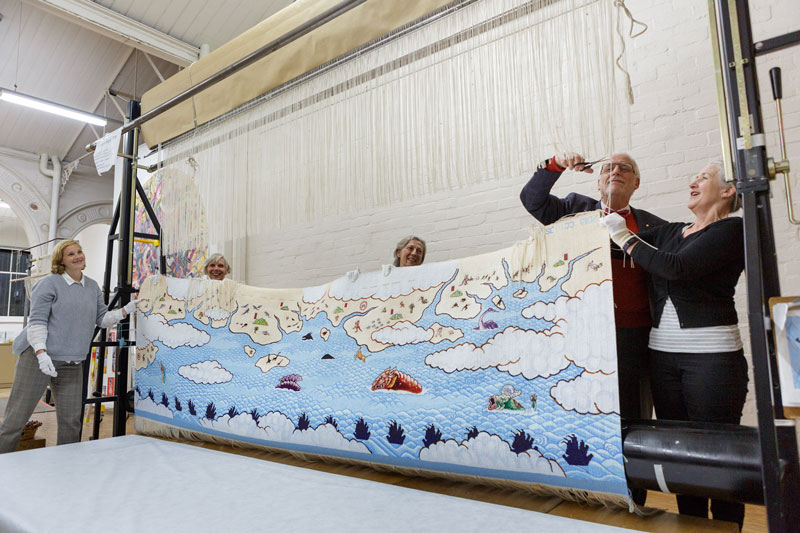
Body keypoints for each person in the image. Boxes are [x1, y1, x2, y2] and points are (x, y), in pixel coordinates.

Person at [601, 160, 747, 529]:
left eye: (704, 177)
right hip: (662, 361)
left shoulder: (732, 230)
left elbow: (676, 267)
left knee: (718, 456)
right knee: (681, 456)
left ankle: (728, 527)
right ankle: (693, 525)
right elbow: (627, 227)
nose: (692, 181)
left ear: (728, 191)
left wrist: (624, 237)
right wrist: (612, 196)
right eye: (694, 176)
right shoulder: (670, 232)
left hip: (712, 361)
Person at [520, 153, 665, 424]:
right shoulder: (573, 208)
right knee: (584, 412)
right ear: (598, 182)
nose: (616, 172)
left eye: (625, 169)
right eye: (608, 168)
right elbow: (532, 199)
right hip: (581, 334)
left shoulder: (656, 226)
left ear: (636, 183)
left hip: (637, 335)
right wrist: (556, 165)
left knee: (634, 413)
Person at [0, 240, 136, 453]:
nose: (77, 256)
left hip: (72, 362)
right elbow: (37, 322)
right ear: (61, 260)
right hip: (38, 358)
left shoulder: (91, 286)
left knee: (72, 423)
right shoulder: (49, 283)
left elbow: (102, 319)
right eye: (70, 254)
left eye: (79, 252)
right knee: (15, 420)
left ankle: (66, 471)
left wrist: (127, 309)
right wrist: (41, 354)